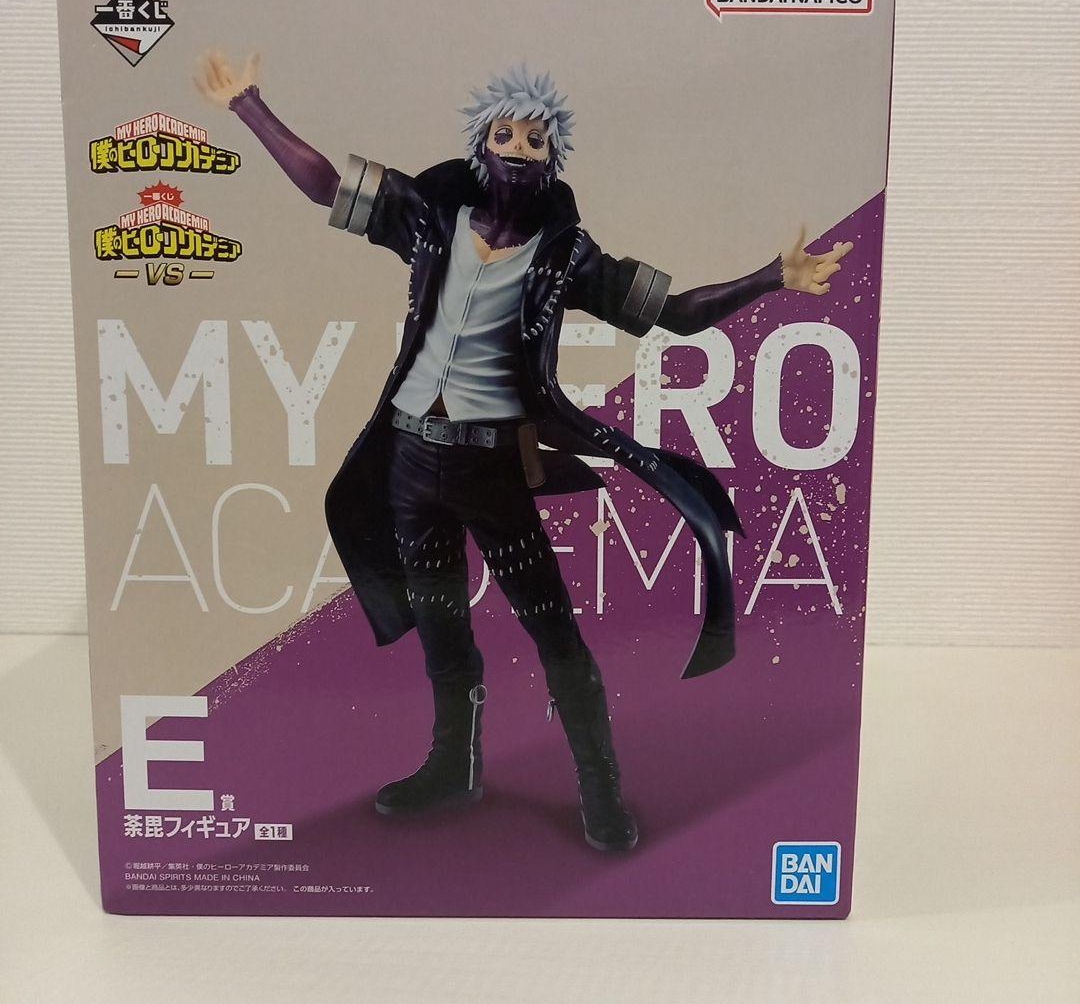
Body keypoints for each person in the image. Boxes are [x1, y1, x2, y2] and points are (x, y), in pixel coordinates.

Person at [195, 52, 850, 852]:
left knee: (554, 634)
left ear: (552, 159)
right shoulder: (427, 215)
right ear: (481, 145)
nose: (517, 147)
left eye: (535, 139)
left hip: (492, 467)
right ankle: (454, 765)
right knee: (441, 626)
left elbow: (675, 313)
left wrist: (773, 277)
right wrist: (249, 105)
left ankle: (600, 789)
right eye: (504, 134)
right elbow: (327, 186)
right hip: (410, 459)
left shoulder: (568, 256)